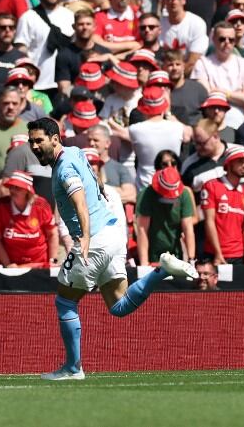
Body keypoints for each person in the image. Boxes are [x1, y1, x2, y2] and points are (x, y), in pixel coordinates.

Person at [27, 117, 197, 380]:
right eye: (31, 141)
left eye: (39, 140)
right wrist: (102, 190)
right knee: (119, 305)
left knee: (65, 301)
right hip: (113, 234)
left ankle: (73, 368)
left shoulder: (63, 169)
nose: (35, 146)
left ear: (55, 139)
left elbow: (79, 201)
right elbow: (93, 177)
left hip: (93, 239)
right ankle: (161, 271)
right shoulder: (75, 152)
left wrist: (83, 236)